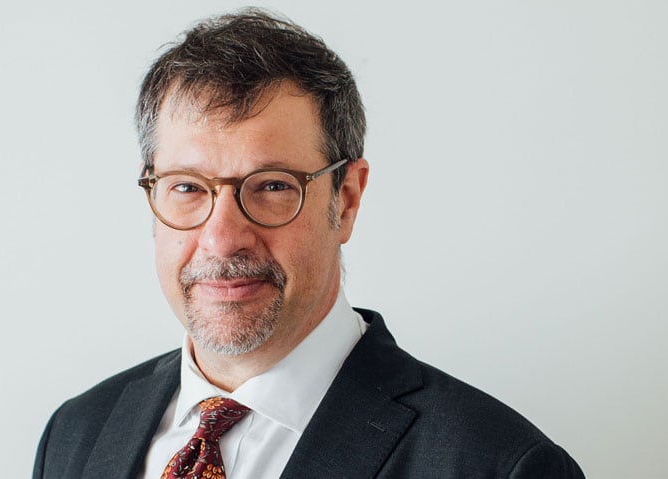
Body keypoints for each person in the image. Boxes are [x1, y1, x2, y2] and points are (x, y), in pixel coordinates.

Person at [33, 8, 585, 479]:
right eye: (187, 188)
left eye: (273, 186)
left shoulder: (497, 464)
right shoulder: (77, 433)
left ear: (346, 199)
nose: (222, 238)